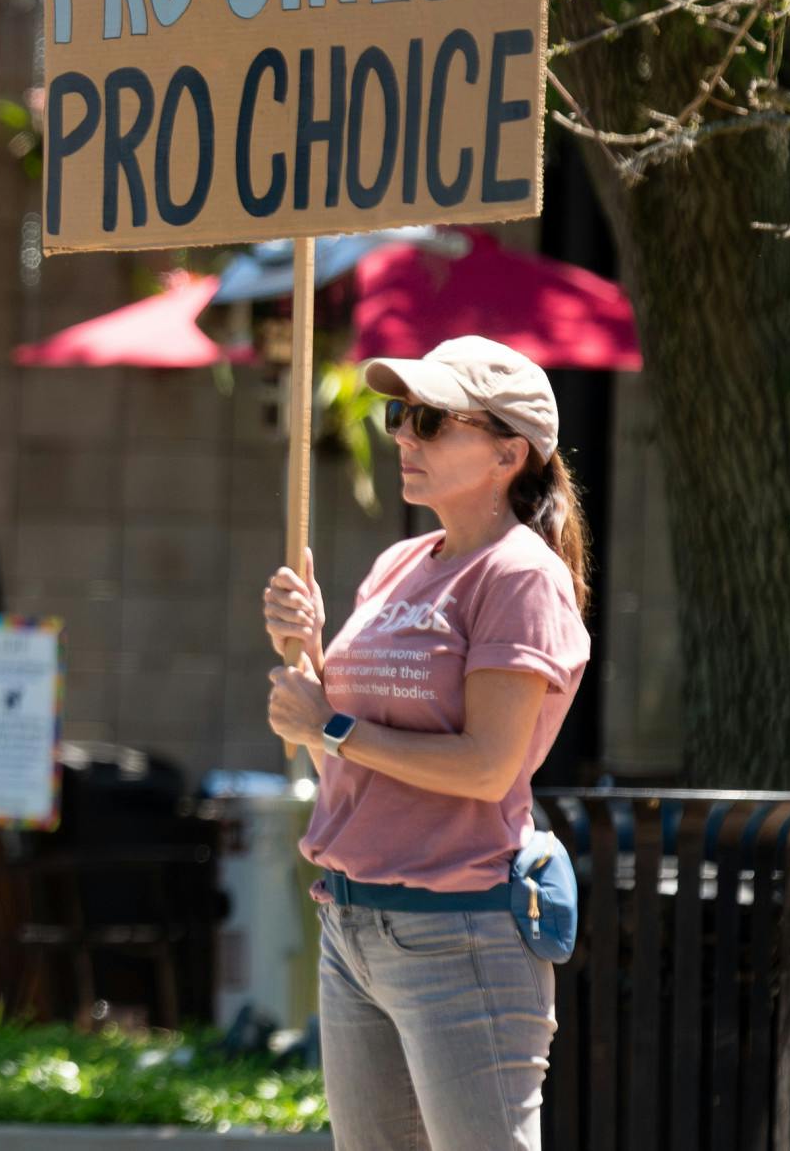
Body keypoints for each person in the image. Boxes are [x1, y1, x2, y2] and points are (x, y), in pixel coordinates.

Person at [261, 336, 590, 1151]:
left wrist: (329, 724)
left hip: (462, 933)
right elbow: (342, 770)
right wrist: (304, 657)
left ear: (509, 452)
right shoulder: (397, 564)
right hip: (353, 926)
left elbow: (487, 769)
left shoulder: (520, 576)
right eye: (401, 414)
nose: (404, 435)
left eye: (433, 419)